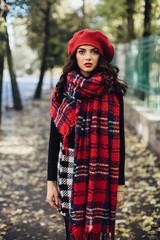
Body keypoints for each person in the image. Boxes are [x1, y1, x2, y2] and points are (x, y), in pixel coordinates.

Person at [46, 29, 127, 240]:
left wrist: (120, 185)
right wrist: (50, 182)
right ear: (75, 56)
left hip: (103, 170)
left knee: (97, 232)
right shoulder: (63, 89)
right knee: (71, 229)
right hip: (69, 166)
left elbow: (120, 142)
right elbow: (55, 138)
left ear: (101, 56)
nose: (88, 57)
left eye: (94, 51)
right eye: (82, 52)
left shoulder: (113, 91)